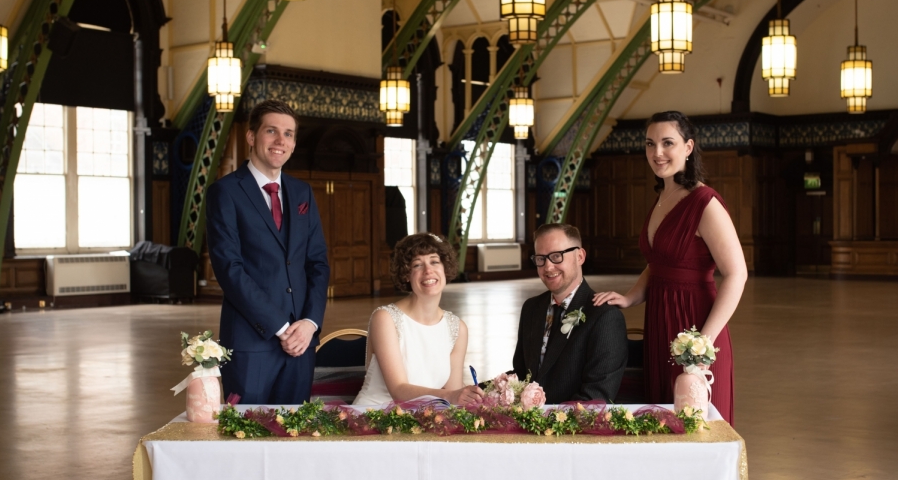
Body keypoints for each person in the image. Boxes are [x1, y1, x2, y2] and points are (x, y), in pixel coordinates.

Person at [594, 111, 747, 424]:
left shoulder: (705, 202)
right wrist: (630, 297)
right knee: (664, 421)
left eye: (667, 143)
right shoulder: (663, 197)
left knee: (697, 425)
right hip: (660, 322)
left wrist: (703, 342)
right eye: (650, 144)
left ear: (688, 147)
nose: (657, 153)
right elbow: (660, 264)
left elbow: (737, 274)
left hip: (695, 325)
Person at [206, 99, 330, 404]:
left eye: (288, 134)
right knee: (245, 437)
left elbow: (317, 263)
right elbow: (230, 269)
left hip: (302, 343)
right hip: (252, 342)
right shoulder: (225, 192)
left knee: (294, 436)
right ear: (251, 137)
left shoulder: (302, 193)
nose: (280, 141)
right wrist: (281, 327)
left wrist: (310, 324)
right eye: (271, 131)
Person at [353, 233, 485, 407]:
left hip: (427, 419)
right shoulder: (385, 319)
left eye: (434, 261)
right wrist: (452, 395)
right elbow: (398, 391)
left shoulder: (457, 328)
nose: (428, 271)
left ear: (445, 268)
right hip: (373, 416)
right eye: (417, 265)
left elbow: (453, 393)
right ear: (406, 274)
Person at [510, 224, 627, 404]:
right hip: (528, 422)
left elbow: (596, 396)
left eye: (557, 256)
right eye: (541, 258)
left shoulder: (605, 316)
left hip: (570, 427)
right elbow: (521, 375)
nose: (548, 267)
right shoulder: (531, 308)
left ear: (580, 256)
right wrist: (483, 390)